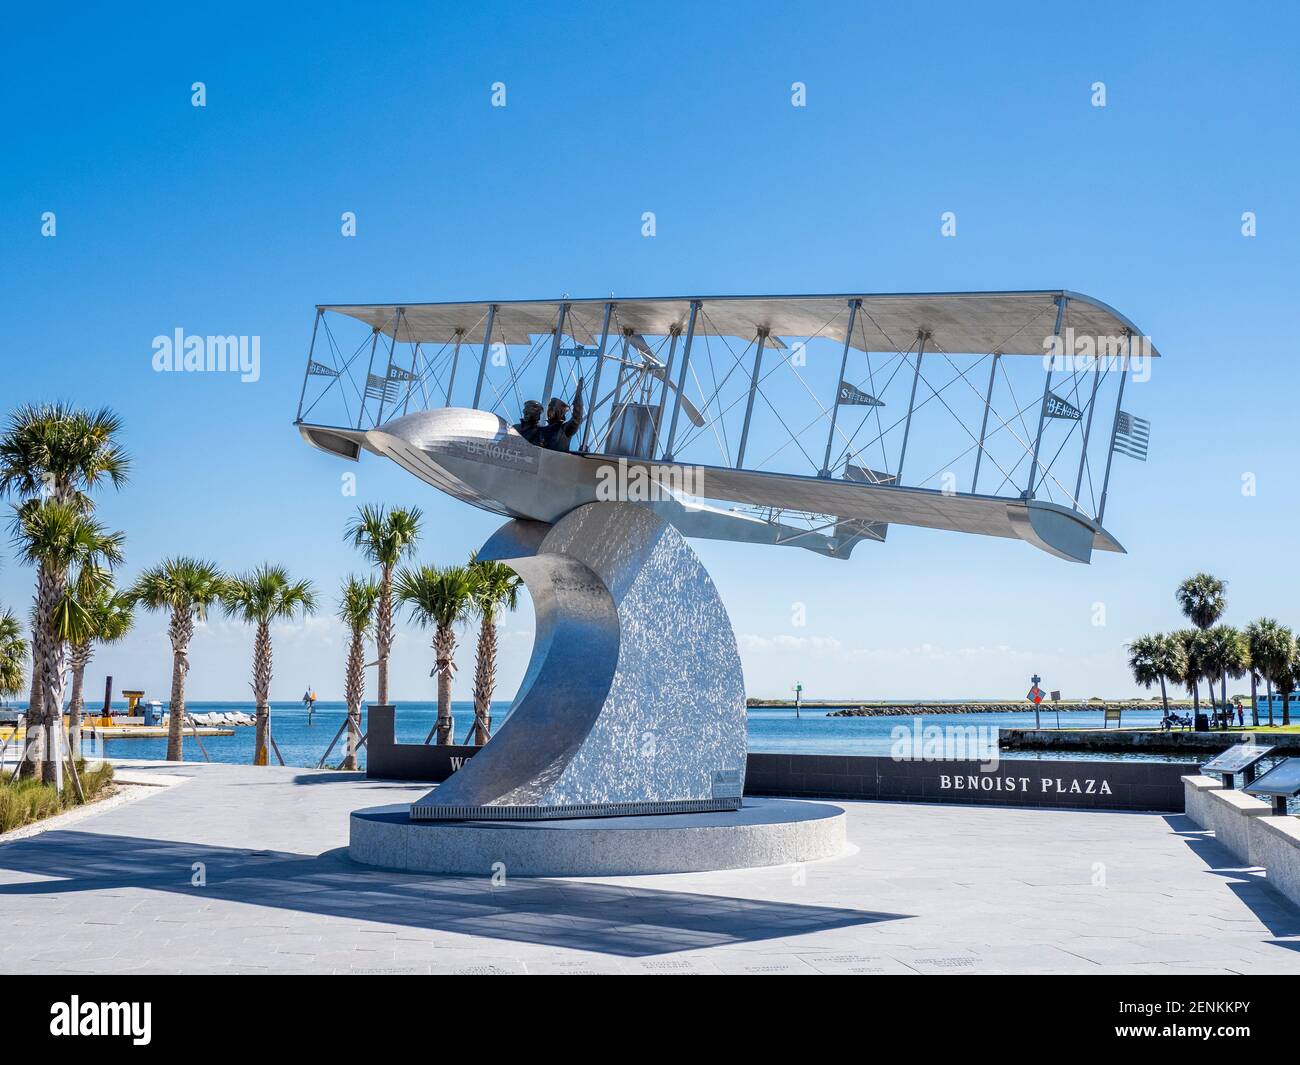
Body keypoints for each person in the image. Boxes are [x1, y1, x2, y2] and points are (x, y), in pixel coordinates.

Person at [537, 377, 584, 452]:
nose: (549, 410)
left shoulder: (565, 429)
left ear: (560, 412)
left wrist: (578, 396)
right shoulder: (540, 430)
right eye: (549, 407)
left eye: (552, 408)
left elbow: (577, 418)